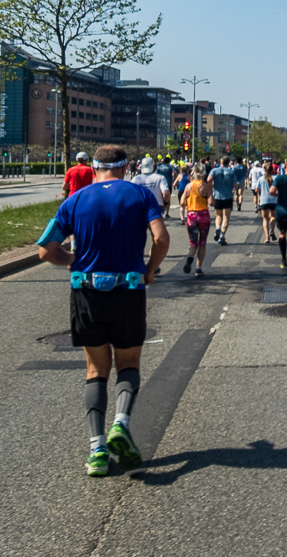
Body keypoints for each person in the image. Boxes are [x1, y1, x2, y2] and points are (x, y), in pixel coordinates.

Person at [36, 145, 169, 476]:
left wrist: (72, 260)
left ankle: (97, 449)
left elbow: (45, 250)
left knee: (96, 369)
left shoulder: (75, 201)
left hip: (87, 292)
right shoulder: (140, 196)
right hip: (128, 290)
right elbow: (162, 238)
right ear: (125, 168)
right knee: (128, 363)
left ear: (93, 168)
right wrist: (150, 268)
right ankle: (120, 424)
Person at [180, 167, 213, 277]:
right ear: (203, 175)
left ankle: (190, 256)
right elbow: (211, 202)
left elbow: (182, 203)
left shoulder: (188, 186)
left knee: (193, 242)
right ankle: (198, 268)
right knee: (202, 242)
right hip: (203, 216)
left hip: (191, 216)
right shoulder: (205, 186)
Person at [209, 156, 238, 246]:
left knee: (218, 215)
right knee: (226, 217)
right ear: (228, 162)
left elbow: (208, 180)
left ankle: (218, 227)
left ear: (220, 162)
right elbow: (234, 184)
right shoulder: (231, 172)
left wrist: (212, 186)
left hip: (217, 195)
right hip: (228, 196)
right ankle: (222, 236)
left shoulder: (214, 171)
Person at [255, 161, 278, 243]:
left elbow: (256, 189)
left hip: (264, 200)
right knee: (273, 217)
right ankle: (272, 230)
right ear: (272, 170)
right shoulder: (276, 178)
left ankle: (267, 236)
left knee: (265, 219)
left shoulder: (261, 179)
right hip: (274, 200)